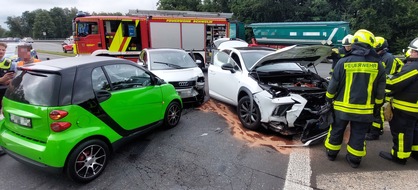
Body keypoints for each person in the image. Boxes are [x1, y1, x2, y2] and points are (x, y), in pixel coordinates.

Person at [324, 29, 386, 168]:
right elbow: (380, 92)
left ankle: (331, 154)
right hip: (364, 110)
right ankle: (354, 159)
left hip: (341, 108)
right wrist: (377, 106)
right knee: (358, 133)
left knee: (337, 130)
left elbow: (332, 86)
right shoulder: (378, 65)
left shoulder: (343, 62)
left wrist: (328, 101)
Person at [379, 37, 418, 165]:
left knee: (402, 132)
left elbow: (394, 82)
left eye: (413, 51)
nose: (411, 53)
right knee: (414, 131)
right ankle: (415, 152)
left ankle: (399, 156)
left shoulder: (414, 67)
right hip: (414, 107)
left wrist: (381, 79)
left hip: (407, 107)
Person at [366, 36, 402, 140]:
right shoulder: (381, 57)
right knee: (375, 110)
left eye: (376, 49)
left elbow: (386, 77)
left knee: (379, 111)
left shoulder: (388, 58)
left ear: (382, 48)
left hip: (387, 89)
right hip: (381, 88)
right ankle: (372, 128)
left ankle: (375, 132)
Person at [0, 42, 15, 156]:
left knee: (4, 117)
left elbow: (11, 79)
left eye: (3, 50)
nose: (1, 52)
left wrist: (9, 80)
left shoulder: (8, 63)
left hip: (5, 92)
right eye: (0, 50)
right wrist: (2, 79)